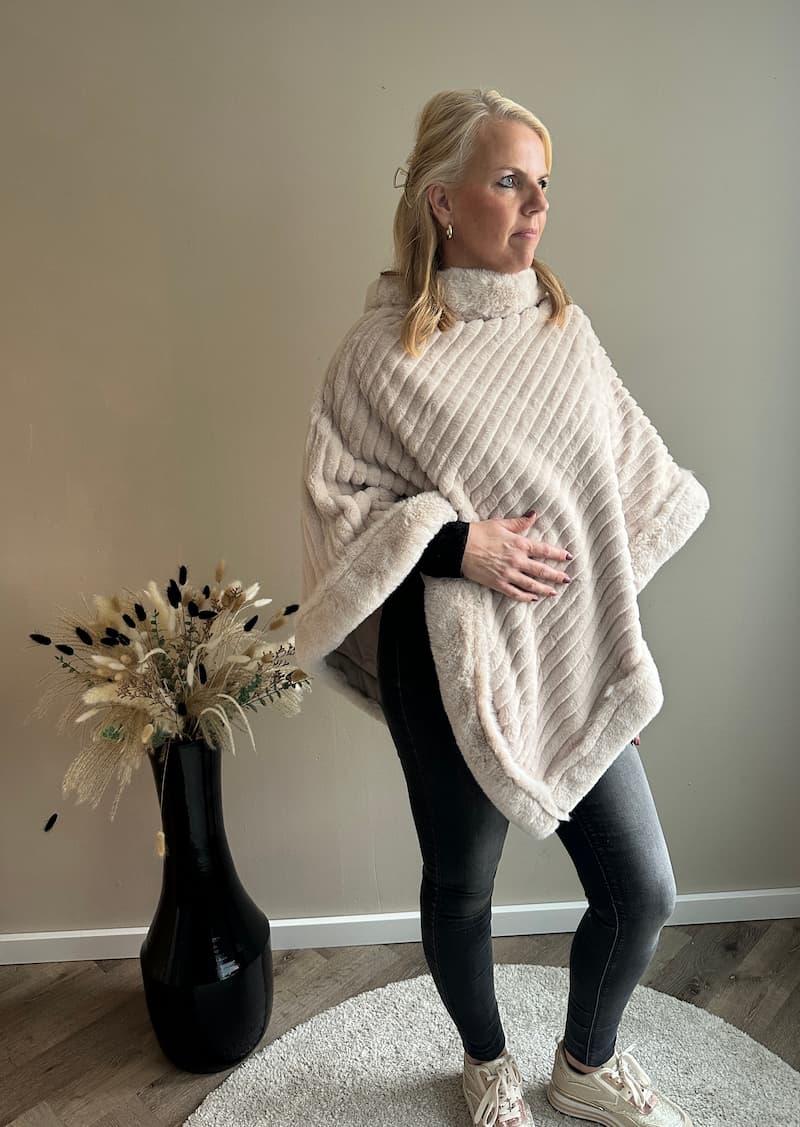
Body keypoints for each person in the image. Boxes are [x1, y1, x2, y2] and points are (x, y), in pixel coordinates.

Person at [297, 87, 705, 1127]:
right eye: (509, 181)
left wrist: (608, 640)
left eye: (543, 183)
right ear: (442, 200)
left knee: (642, 887)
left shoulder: (563, 331)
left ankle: (584, 1062)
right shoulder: (378, 354)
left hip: (567, 644)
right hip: (440, 658)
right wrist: (453, 541)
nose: (536, 206)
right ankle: (483, 1063)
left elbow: (615, 504)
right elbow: (338, 510)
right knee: (462, 883)